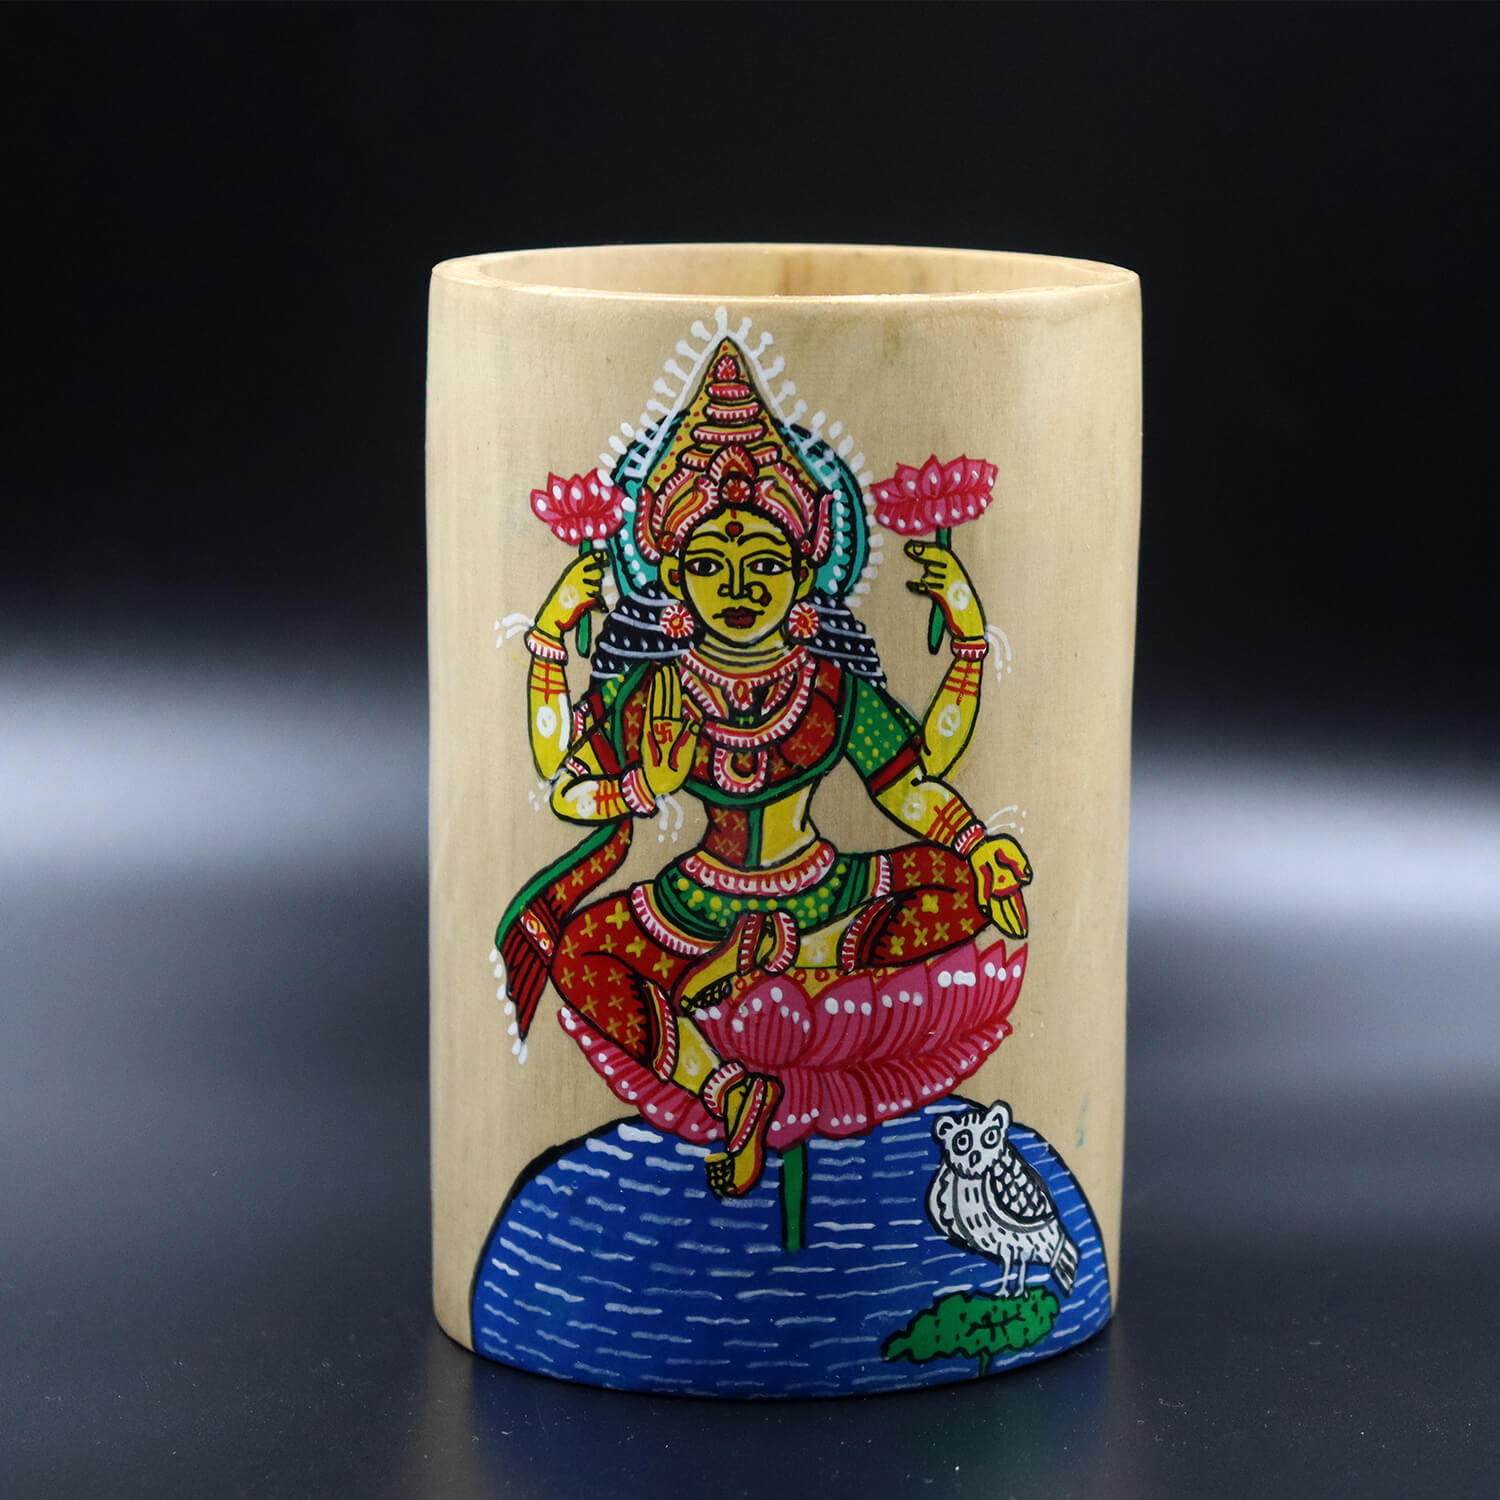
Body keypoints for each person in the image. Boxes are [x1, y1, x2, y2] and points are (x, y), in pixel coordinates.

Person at [499, 346, 1031, 1199]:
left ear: (806, 570)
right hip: (697, 902)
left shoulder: (828, 684)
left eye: (765, 564)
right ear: (672, 574)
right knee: (582, 955)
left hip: (821, 891)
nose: (738, 587)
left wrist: (976, 839)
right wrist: (620, 756)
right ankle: (729, 1088)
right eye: (710, 564)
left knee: (965, 888)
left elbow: (910, 781)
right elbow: (565, 783)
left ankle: (785, 953)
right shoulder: (657, 689)